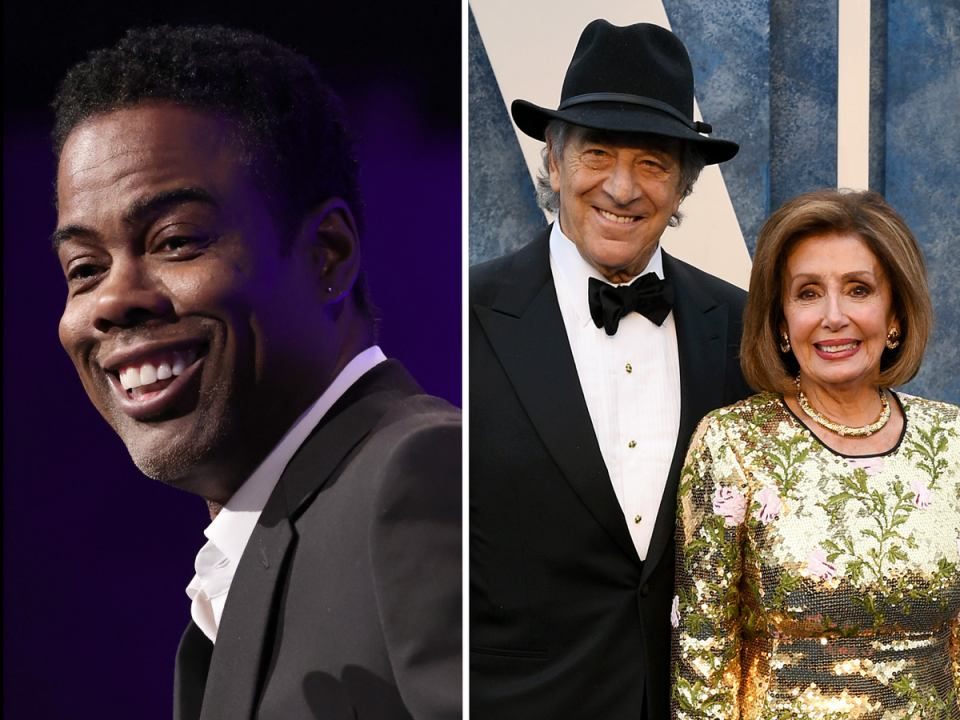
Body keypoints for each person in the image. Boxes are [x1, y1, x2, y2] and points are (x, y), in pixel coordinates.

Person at [52, 26, 461, 720]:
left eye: (176, 240)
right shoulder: (245, 565)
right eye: (84, 270)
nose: (114, 301)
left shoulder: (420, 476)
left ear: (326, 255)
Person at [470, 20, 754, 719]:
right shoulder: (462, 316)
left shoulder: (743, 327)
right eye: (597, 153)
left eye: (654, 163)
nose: (622, 188)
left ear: (683, 187)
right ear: (557, 164)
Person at [671, 189, 960, 718]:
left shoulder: (955, 443)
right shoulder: (731, 444)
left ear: (895, 311)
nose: (834, 316)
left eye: (858, 289)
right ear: (781, 322)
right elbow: (703, 663)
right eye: (808, 293)